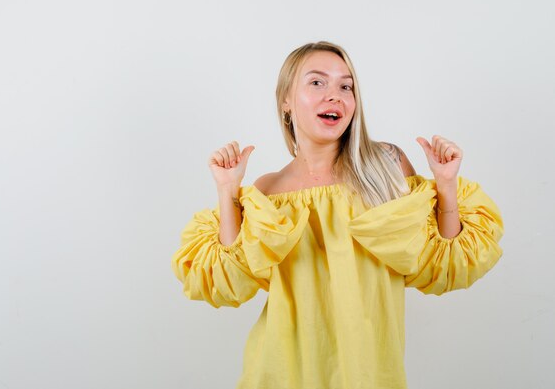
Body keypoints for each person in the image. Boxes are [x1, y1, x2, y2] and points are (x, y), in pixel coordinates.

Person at [170, 41, 504, 389]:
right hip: (281, 373)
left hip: (370, 373)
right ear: (286, 100)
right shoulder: (268, 191)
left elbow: (439, 265)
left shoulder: (385, 167)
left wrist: (446, 184)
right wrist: (227, 190)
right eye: (317, 82)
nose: (335, 95)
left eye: (346, 86)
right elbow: (229, 283)